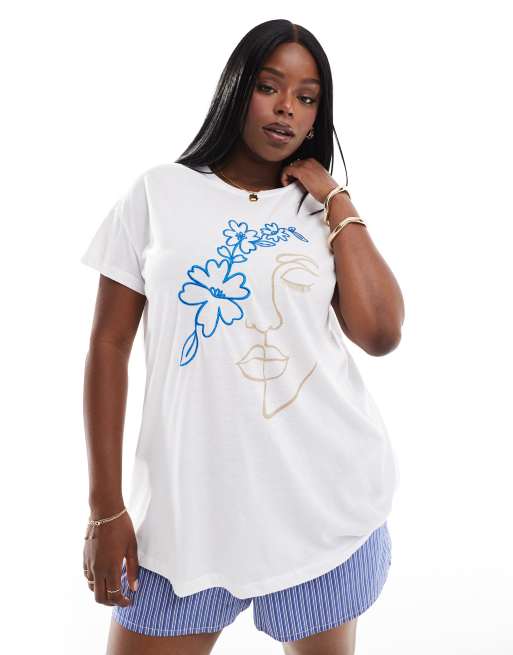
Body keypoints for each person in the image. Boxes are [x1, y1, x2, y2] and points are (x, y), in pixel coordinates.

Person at [81, 18, 404, 655]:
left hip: (319, 511)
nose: (287, 107)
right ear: (236, 89)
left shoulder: (317, 211)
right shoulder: (159, 193)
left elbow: (381, 332)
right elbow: (108, 346)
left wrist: (334, 198)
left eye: (307, 97)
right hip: (185, 524)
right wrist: (105, 506)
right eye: (269, 86)